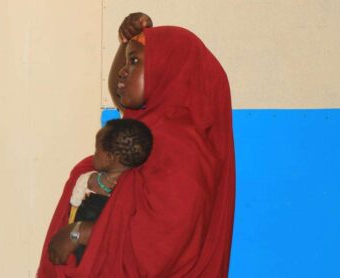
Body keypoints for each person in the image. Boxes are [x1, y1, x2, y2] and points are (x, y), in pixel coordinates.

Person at [38, 12, 235, 277]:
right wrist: (126, 42)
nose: (122, 70)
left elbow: (157, 248)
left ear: (167, 71)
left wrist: (80, 233)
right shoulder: (143, 130)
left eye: (134, 62)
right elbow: (119, 91)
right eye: (126, 61)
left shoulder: (181, 152)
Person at [68, 118, 153, 264]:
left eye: (96, 150)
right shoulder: (88, 178)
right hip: (80, 252)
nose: (93, 154)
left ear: (109, 158)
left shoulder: (132, 189)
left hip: (102, 258)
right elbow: (72, 206)